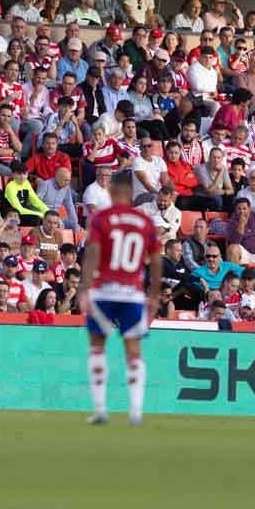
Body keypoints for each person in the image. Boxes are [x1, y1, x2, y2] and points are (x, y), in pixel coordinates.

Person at [78, 172, 161, 427]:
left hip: (104, 291)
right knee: (133, 351)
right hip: (132, 294)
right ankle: (136, 411)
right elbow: (156, 260)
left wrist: (84, 287)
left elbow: (93, 251)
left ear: (114, 191)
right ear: (132, 194)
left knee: (97, 346)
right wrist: (154, 296)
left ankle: (101, 409)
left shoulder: (102, 218)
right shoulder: (144, 222)